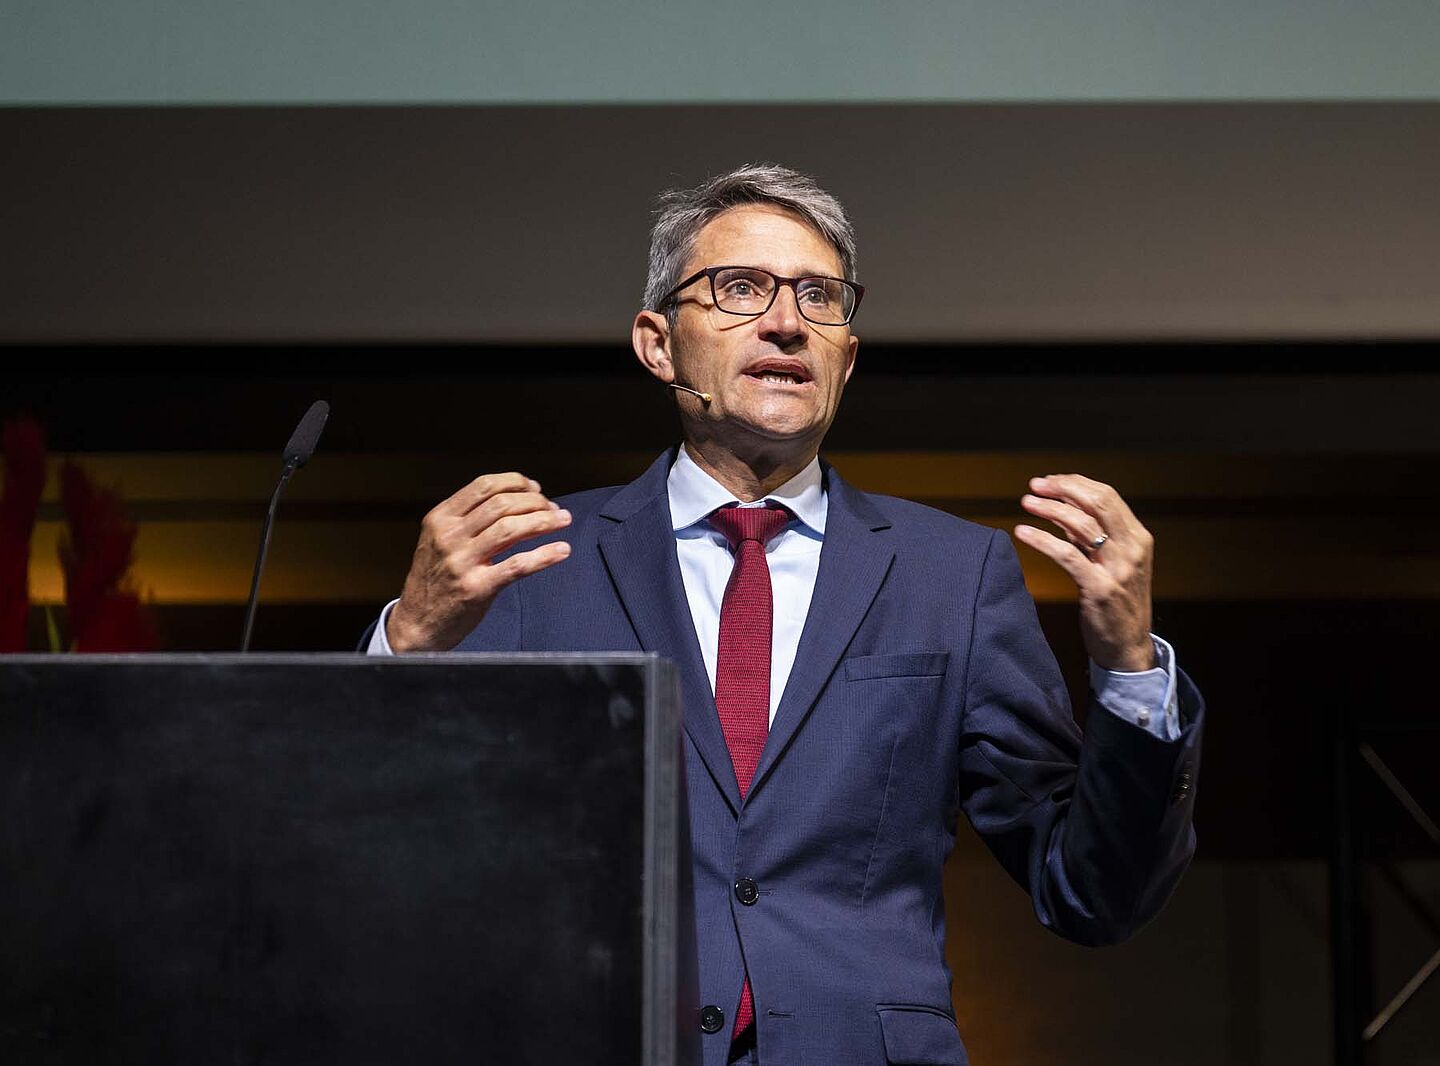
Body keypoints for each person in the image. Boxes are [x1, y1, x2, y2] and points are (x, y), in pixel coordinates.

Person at [361, 163, 1202, 1066]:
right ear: (657, 344)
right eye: (739, 288)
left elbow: (1092, 893)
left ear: (847, 356)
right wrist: (406, 645)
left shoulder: (952, 577)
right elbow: (384, 856)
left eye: (819, 297)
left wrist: (1129, 670)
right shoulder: (532, 566)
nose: (787, 322)